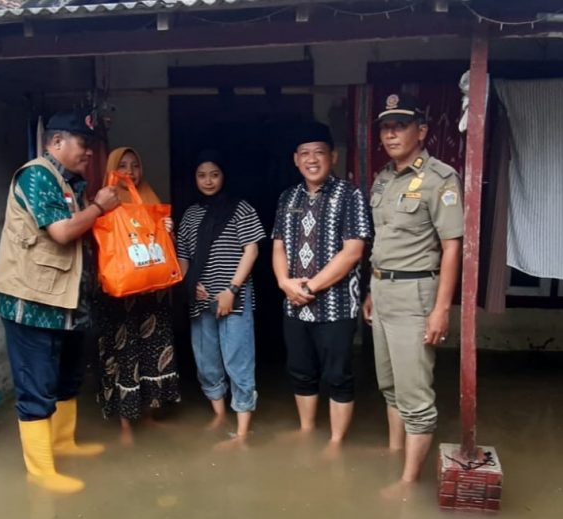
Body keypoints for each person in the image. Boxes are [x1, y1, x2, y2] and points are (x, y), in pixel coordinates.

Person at [0, 110, 121, 494]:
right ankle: (40, 470)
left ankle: (64, 443)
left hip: (65, 301)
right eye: (84, 145)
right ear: (57, 142)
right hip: (32, 301)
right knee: (36, 384)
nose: (90, 155)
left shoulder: (68, 183)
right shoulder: (37, 176)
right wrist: (99, 207)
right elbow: (62, 232)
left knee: (67, 378)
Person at [362, 94, 463, 498]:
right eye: (386, 127)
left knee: (414, 394)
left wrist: (441, 310)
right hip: (382, 290)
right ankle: (394, 452)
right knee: (389, 386)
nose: (390, 133)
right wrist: (372, 288)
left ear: (421, 131)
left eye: (400, 125)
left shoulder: (441, 179)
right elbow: (383, 240)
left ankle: (406, 483)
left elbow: (452, 246)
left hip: (416, 293)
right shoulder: (384, 178)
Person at [271, 122, 373, 452]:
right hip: (293, 304)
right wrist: (284, 282)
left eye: (319, 153)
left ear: (333, 156)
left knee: (338, 375)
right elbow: (278, 247)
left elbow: (353, 252)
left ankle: (335, 441)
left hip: (337, 306)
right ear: (295, 159)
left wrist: (308, 288)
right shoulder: (288, 197)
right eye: (304, 154)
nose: (311, 159)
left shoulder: (351, 195)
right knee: (300, 370)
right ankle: (306, 429)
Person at [176, 151, 266, 450]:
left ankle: (241, 431)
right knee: (207, 361)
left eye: (214, 174)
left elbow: (251, 251)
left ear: (223, 175)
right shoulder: (190, 214)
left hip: (234, 298)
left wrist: (232, 289)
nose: (208, 180)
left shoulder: (241, 209)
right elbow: (183, 256)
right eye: (202, 175)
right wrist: (191, 285)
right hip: (201, 299)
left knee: (238, 361)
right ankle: (219, 415)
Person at [93, 147, 181, 446]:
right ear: (112, 168)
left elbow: (160, 250)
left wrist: (167, 230)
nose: (130, 172)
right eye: (123, 166)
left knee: (152, 353)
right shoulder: (102, 201)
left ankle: (149, 416)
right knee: (124, 354)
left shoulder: (149, 197)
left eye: (135, 166)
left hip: (152, 293)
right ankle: (125, 426)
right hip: (121, 295)